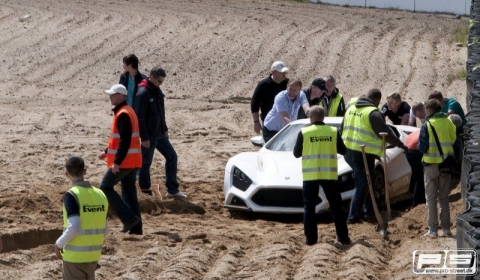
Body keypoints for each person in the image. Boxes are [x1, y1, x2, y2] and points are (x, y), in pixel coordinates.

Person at [341, 89, 408, 224]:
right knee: (363, 184)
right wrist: (401, 145)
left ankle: (370, 212)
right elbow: (386, 132)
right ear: (377, 101)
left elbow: (341, 128)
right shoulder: (373, 113)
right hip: (362, 154)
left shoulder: (351, 109)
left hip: (349, 151)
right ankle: (353, 217)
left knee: (367, 182)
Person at [293, 106, 351, 246]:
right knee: (336, 206)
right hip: (329, 175)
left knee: (309, 207)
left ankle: (311, 240)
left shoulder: (304, 132)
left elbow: (296, 153)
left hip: (310, 175)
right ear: (323, 117)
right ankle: (343, 238)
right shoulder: (332, 131)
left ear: (311, 118)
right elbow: (343, 151)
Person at [134, 66, 187, 198]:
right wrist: (144, 137)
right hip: (149, 136)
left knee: (172, 156)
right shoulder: (142, 94)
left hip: (160, 133)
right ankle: (146, 192)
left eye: (162, 82)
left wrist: (165, 129)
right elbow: (139, 118)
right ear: (151, 77)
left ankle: (172, 190)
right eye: (159, 81)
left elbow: (160, 113)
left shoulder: (156, 91)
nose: (160, 84)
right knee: (146, 163)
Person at [99, 84, 143, 234]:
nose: (111, 97)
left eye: (113, 94)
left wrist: (117, 162)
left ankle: (129, 219)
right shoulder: (127, 111)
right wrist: (106, 152)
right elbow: (119, 139)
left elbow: (125, 141)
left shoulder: (123, 113)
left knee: (105, 187)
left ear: (122, 96)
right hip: (132, 161)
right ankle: (136, 229)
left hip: (125, 161)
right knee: (130, 193)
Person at [55, 156, 109, 280]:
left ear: (66, 173)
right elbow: (105, 231)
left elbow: (75, 227)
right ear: (85, 171)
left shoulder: (72, 195)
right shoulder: (100, 195)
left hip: (74, 259)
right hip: (93, 258)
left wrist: (59, 244)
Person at [417, 99, 457, 238]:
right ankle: (446, 229)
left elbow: (422, 147)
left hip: (430, 165)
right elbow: (453, 140)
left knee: (431, 198)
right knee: (444, 198)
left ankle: (433, 230)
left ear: (429, 110)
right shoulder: (449, 123)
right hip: (446, 165)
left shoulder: (427, 125)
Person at [262, 78, 310, 143]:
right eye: (290, 89)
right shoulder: (281, 97)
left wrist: (312, 119)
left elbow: (307, 109)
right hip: (271, 129)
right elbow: (285, 118)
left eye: (295, 90)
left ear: (299, 90)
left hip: (286, 129)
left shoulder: (301, 95)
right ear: (287, 87)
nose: (292, 92)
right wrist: (294, 129)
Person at [251, 61, 289, 134]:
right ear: (273, 72)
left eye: (285, 72)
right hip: (268, 124)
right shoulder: (263, 85)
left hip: (285, 122)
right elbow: (254, 104)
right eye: (281, 72)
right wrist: (256, 122)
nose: (284, 74)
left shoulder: (289, 84)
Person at [404, 128, 425, 208]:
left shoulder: (428, 125)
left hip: (409, 147)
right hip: (413, 150)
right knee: (419, 178)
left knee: (416, 175)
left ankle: (412, 196)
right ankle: (418, 203)